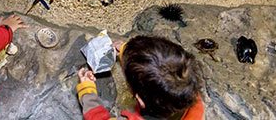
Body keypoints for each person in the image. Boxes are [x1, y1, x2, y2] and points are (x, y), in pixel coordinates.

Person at [76, 36, 205, 120]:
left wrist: (87, 92)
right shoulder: (189, 93)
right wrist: (126, 50)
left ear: (140, 100)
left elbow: (97, 117)